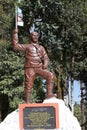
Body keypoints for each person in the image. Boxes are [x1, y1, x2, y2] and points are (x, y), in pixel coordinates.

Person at [12, 28, 56, 103]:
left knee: (50, 75)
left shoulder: (41, 48)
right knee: (28, 85)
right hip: (30, 68)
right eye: (33, 35)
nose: (35, 37)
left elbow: (45, 57)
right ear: (30, 37)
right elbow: (16, 46)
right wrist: (15, 34)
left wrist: (45, 64)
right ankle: (27, 102)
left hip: (39, 68)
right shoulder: (27, 46)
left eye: (36, 36)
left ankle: (49, 94)